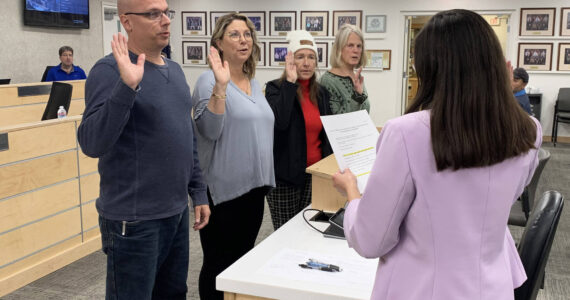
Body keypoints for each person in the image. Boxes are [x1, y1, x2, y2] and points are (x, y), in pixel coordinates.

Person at [332, 9, 540, 300]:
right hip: (494, 287)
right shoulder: (529, 130)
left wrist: (352, 194)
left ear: (427, 69)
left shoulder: (407, 133)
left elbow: (369, 240)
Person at [77, 0, 210, 298]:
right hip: (134, 221)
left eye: (166, 12)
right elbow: (91, 142)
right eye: (153, 14)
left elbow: (185, 137)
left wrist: (198, 191)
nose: (165, 20)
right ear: (127, 22)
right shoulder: (108, 70)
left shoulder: (174, 71)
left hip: (175, 214)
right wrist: (127, 86)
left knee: (173, 294)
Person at [192, 13, 275, 300]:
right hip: (222, 192)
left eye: (248, 34)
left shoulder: (254, 81)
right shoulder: (208, 81)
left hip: (254, 188)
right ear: (218, 43)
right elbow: (209, 130)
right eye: (235, 34)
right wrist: (221, 86)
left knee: (243, 261)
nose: (244, 40)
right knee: (218, 263)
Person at [265, 30, 333, 230]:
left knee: (308, 230)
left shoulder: (321, 93)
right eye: (300, 56)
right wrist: (290, 83)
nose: (306, 63)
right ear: (290, 60)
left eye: (311, 57)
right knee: (286, 232)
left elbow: (328, 134)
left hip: (315, 176)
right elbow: (280, 123)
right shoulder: (275, 89)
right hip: (285, 178)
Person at [320, 24, 369, 114]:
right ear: (339, 49)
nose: (356, 50)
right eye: (350, 45)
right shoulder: (328, 81)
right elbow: (337, 121)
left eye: (359, 46)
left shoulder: (357, 77)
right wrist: (357, 97)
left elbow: (365, 110)